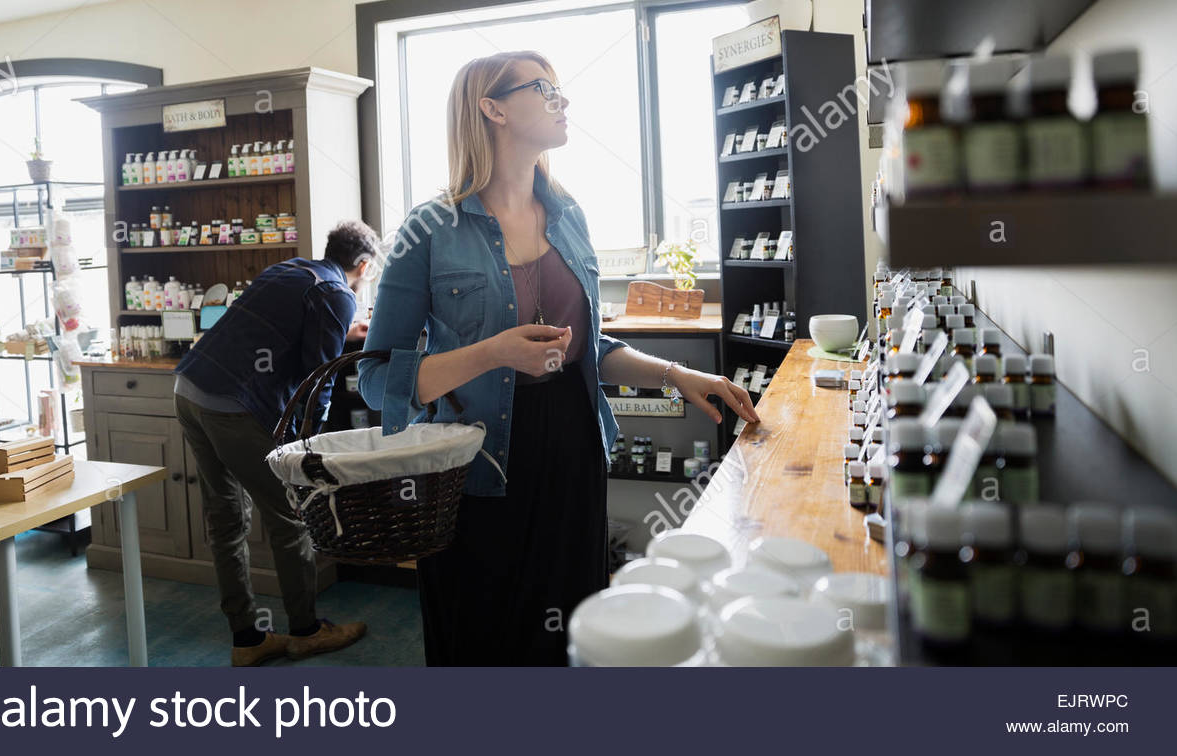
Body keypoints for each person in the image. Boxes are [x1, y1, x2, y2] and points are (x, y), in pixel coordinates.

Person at [357, 51, 760, 666]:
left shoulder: (569, 215)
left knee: (571, 626)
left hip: (573, 448)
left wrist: (676, 375)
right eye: (543, 88)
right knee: (479, 634)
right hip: (477, 467)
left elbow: (585, 351)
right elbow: (378, 375)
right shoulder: (429, 229)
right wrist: (494, 353)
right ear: (492, 108)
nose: (562, 100)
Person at [174, 220, 379, 666]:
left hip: (190, 391)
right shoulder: (338, 295)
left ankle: (247, 639)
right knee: (291, 518)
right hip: (233, 407)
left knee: (226, 520)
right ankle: (306, 631)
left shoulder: (290, 270)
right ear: (363, 266)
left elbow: (277, 333)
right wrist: (307, 445)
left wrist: (343, 332)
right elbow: (318, 379)